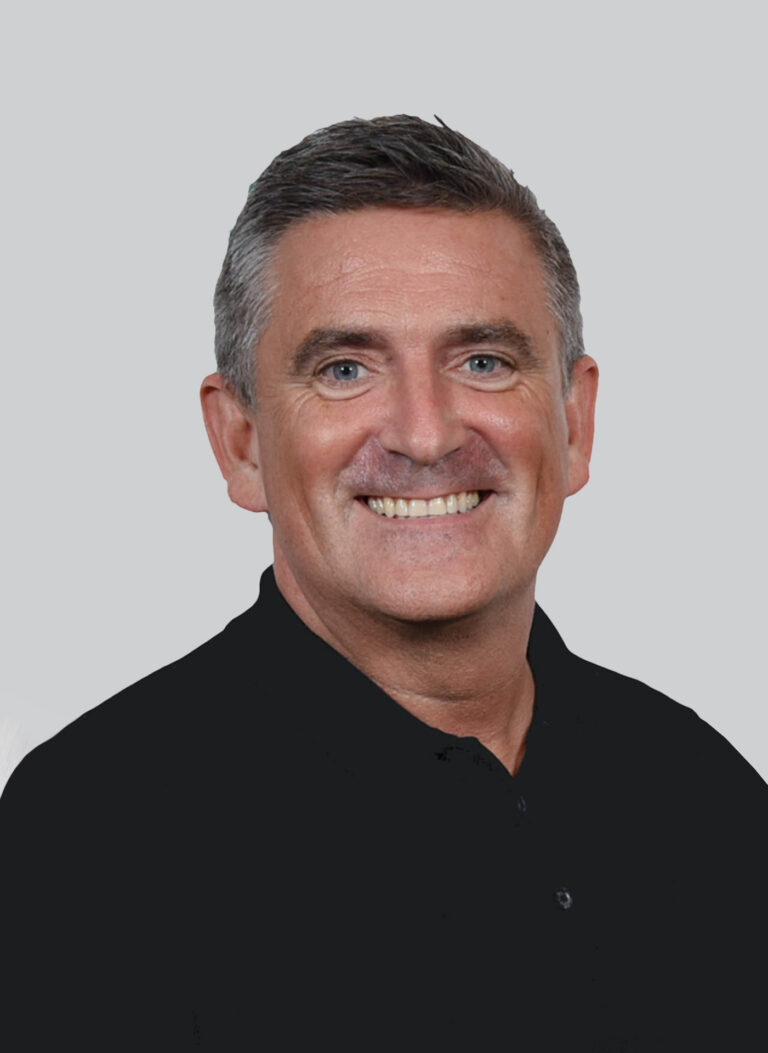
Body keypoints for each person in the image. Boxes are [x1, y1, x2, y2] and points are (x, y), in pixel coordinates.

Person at [1, 116, 766, 1050]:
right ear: (240, 442)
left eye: (483, 361)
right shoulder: (88, 837)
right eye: (345, 369)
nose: (425, 434)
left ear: (576, 422)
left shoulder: (706, 796)